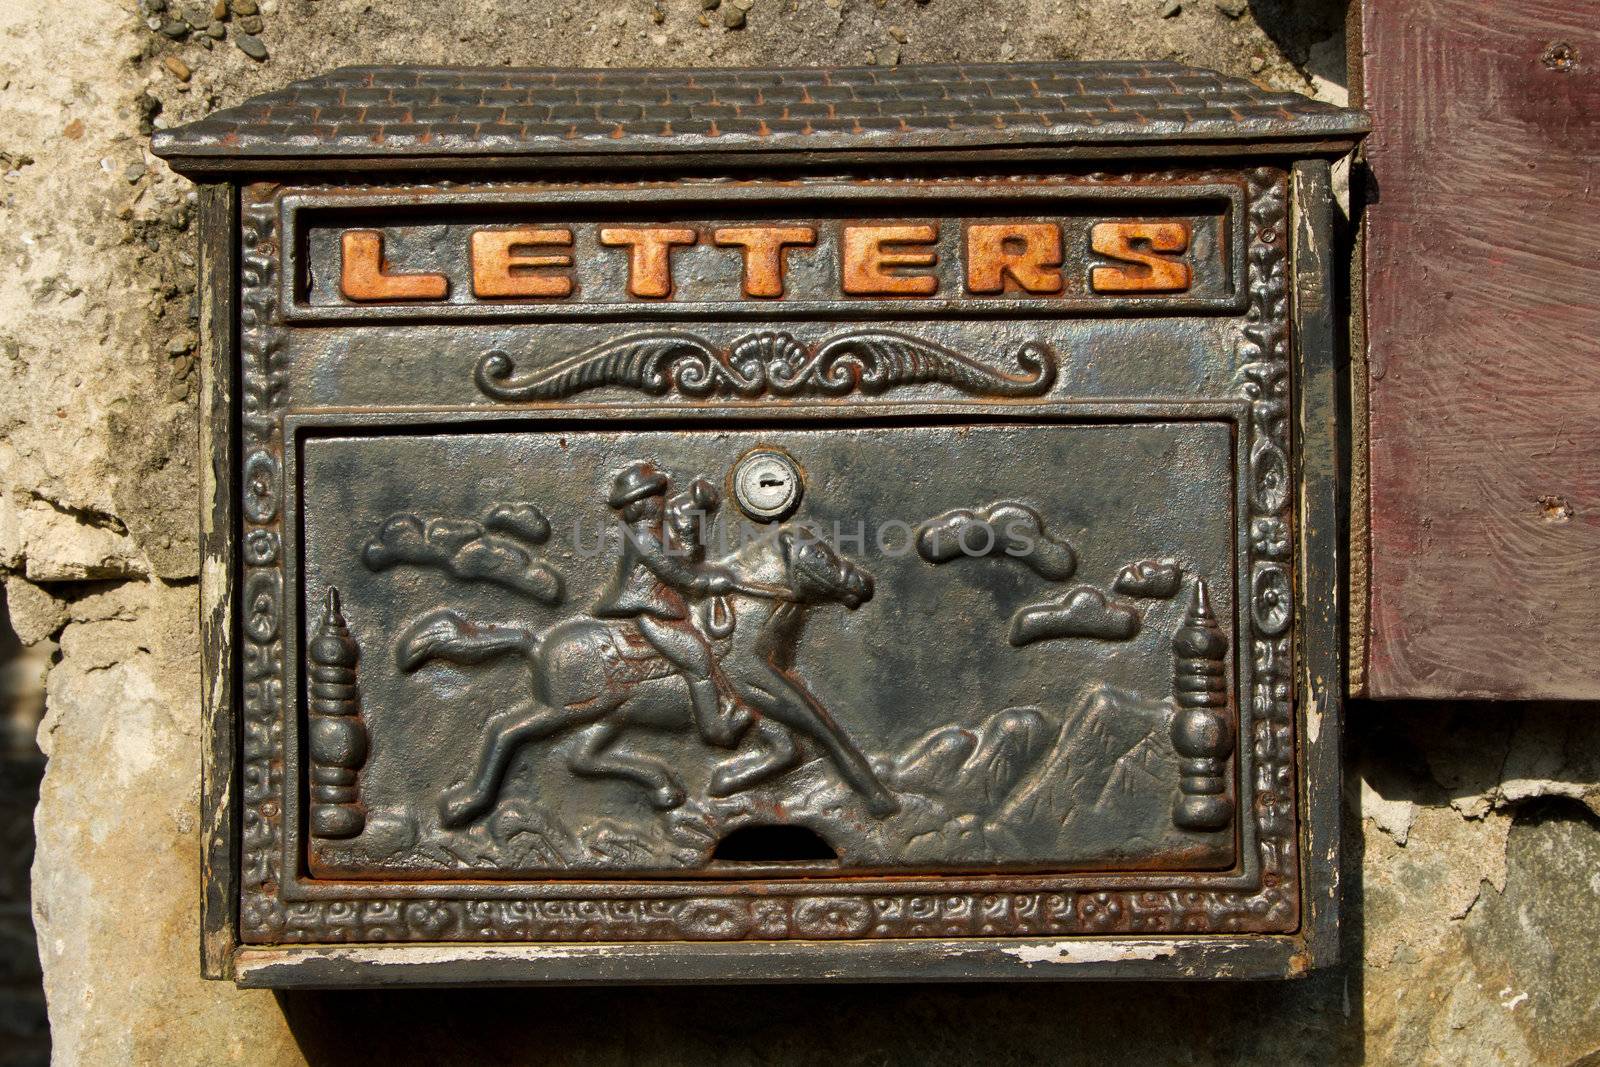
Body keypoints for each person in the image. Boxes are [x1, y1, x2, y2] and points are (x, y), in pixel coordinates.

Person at [594, 461, 750, 746]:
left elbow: (685, 563)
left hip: (663, 610)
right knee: (698, 659)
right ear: (640, 504)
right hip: (649, 613)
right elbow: (681, 576)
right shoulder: (644, 537)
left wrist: (694, 528)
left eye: (660, 496)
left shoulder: (656, 533)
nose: (662, 502)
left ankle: (726, 706)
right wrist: (712, 581)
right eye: (655, 496)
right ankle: (716, 729)